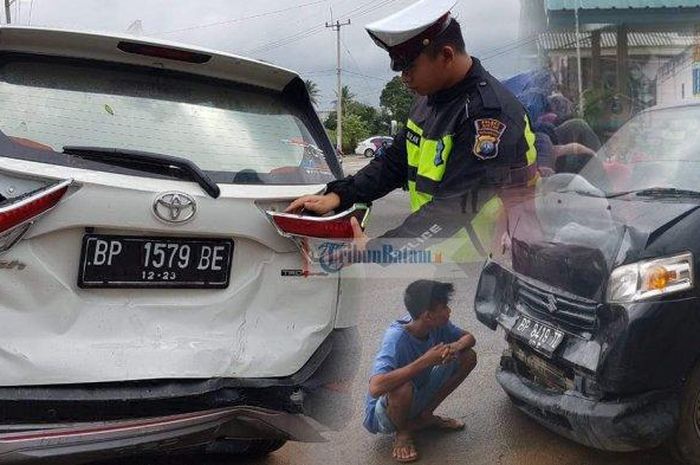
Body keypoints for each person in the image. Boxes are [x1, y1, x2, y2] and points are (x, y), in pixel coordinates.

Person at [286, 0, 537, 263]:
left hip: (490, 260)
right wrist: (339, 195)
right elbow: (394, 162)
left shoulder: (488, 116)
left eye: (410, 67)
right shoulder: (427, 102)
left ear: (447, 56)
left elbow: (453, 209)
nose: (403, 78)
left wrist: (378, 249)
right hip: (440, 255)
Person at [365, 280, 477, 463]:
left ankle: (425, 416)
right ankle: (402, 433)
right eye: (444, 307)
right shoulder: (396, 338)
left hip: (416, 394)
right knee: (403, 388)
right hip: (384, 414)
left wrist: (455, 347)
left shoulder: (437, 325)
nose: (449, 311)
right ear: (428, 316)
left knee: (467, 356)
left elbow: (469, 338)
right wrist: (425, 362)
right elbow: (375, 387)